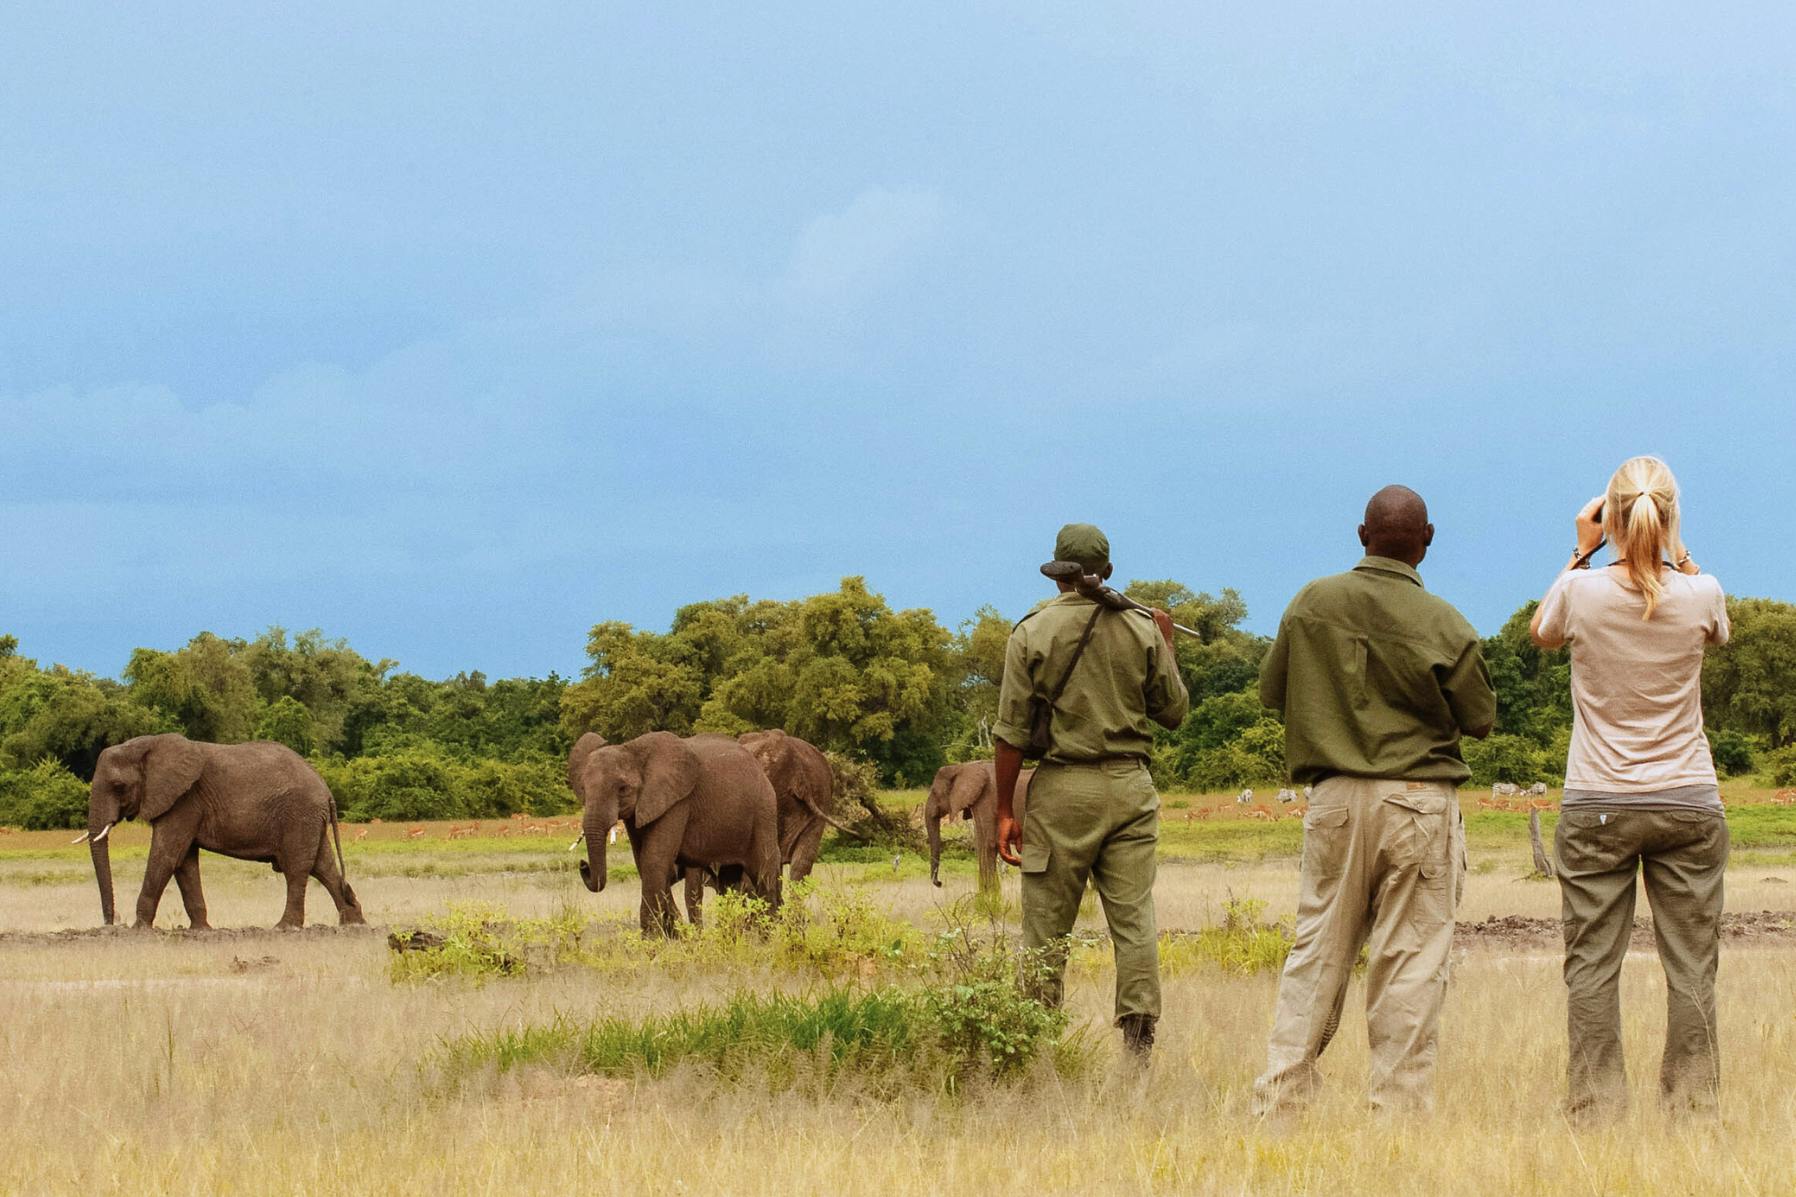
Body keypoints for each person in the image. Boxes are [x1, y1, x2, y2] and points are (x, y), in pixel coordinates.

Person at [1252, 485, 1495, 1114]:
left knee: (1316, 951)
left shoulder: (1311, 601)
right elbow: (1480, 719)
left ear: (1362, 535)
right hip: (1418, 800)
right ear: (1428, 540)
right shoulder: (1446, 622)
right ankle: (1398, 1117)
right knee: (1410, 961)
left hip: (1333, 797)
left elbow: (1272, 691)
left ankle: (1280, 1105)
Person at [1530, 456, 1730, 1119]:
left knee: (1591, 963)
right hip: (1688, 798)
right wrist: (1677, 549)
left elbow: (1540, 632)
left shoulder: (1579, 591)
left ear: (1609, 517)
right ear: (1669, 517)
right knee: (1692, 964)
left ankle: (1596, 1111)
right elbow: (1719, 628)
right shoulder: (1702, 593)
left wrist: (1580, 551)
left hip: (1598, 800)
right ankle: (1692, 1111)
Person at [992, 523, 1188, 1057]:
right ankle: (1138, 1048)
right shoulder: (1142, 627)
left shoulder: (1031, 631)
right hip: (1131, 787)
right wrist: (1166, 644)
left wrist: (1005, 811)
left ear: (1056, 572)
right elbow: (1173, 712)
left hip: (1062, 790)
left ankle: (1034, 1045)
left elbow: (1011, 734)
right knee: (1134, 921)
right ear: (1109, 570)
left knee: (1045, 927)